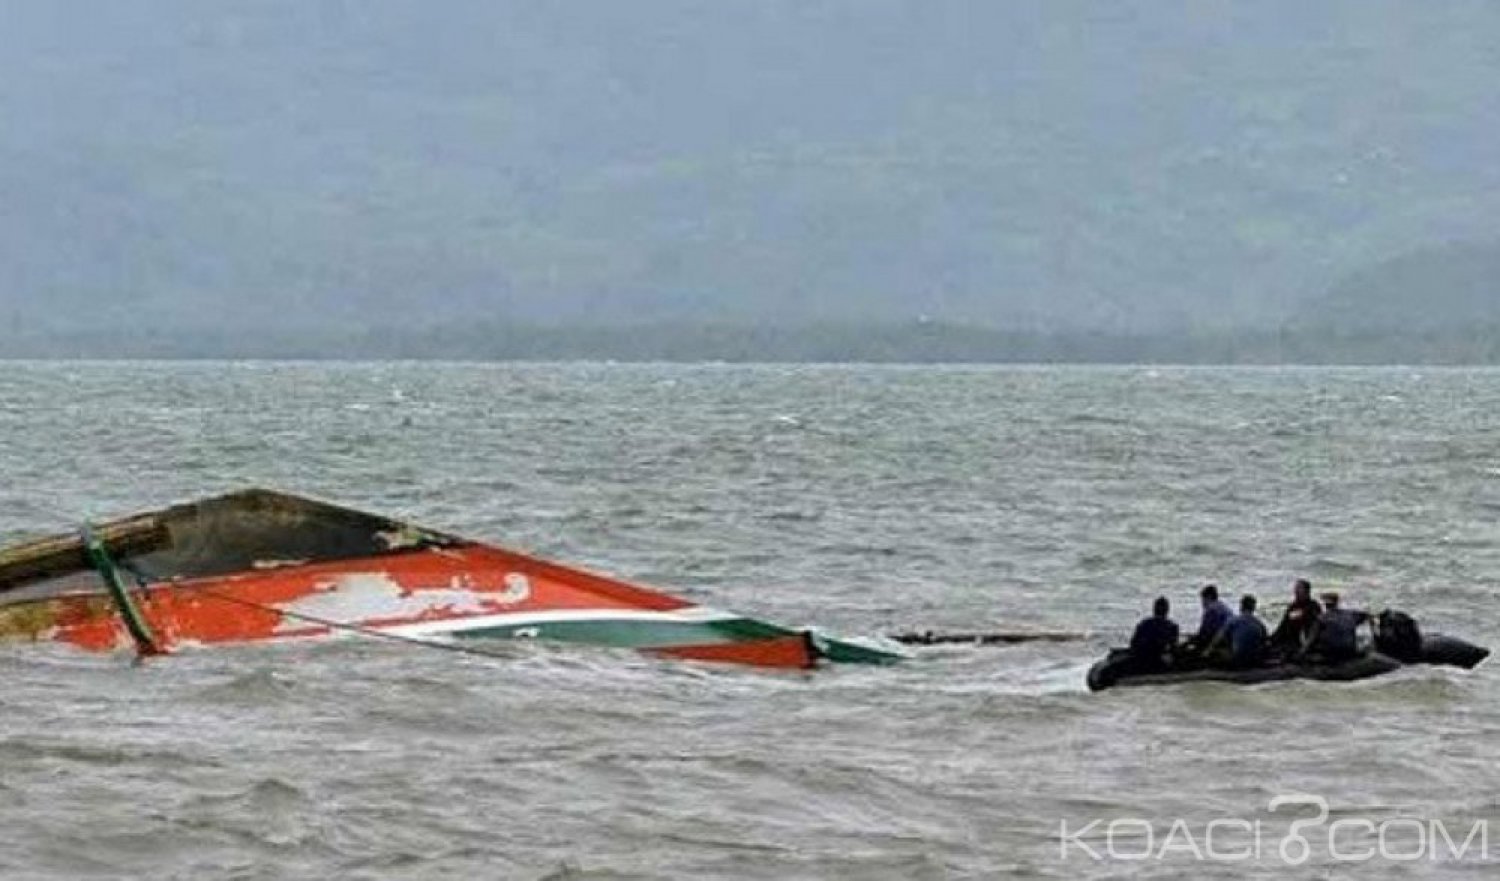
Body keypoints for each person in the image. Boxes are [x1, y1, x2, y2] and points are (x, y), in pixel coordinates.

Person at [1208, 594, 1268, 669]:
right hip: (1254, 659)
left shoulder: (1233, 621)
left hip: (1236, 659)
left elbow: (1217, 639)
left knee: (1217, 652)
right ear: (1253, 608)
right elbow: (1264, 642)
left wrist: (1207, 652)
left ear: (1241, 606)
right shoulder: (1260, 624)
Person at [1311, 591, 1371, 663]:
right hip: (1350, 650)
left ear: (1325, 604)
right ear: (1337, 602)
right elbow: (1367, 616)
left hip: (1332, 653)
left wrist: (1301, 653)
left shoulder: (1322, 618)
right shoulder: (1351, 614)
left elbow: (1311, 639)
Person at [1271, 578, 1322, 655]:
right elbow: (1283, 625)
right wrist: (1271, 639)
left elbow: (1316, 627)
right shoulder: (1293, 606)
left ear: (1307, 591)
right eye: (1295, 588)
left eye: (1299, 588)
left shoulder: (1313, 606)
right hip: (1290, 639)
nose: (1295, 591)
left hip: (1306, 641)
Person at [1128, 596, 1180, 672]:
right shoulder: (1172, 627)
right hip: (1156, 662)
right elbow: (1173, 648)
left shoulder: (1144, 624)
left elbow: (1133, 644)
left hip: (1140, 659)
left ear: (1154, 609)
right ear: (1167, 611)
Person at [1189, 584, 1233, 652]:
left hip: (1220, 643)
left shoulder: (1211, 610)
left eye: (1203, 599)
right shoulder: (1224, 607)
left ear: (1209, 597)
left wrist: (1190, 640)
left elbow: (1204, 634)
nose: (1202, 603)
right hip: (1230, 641)